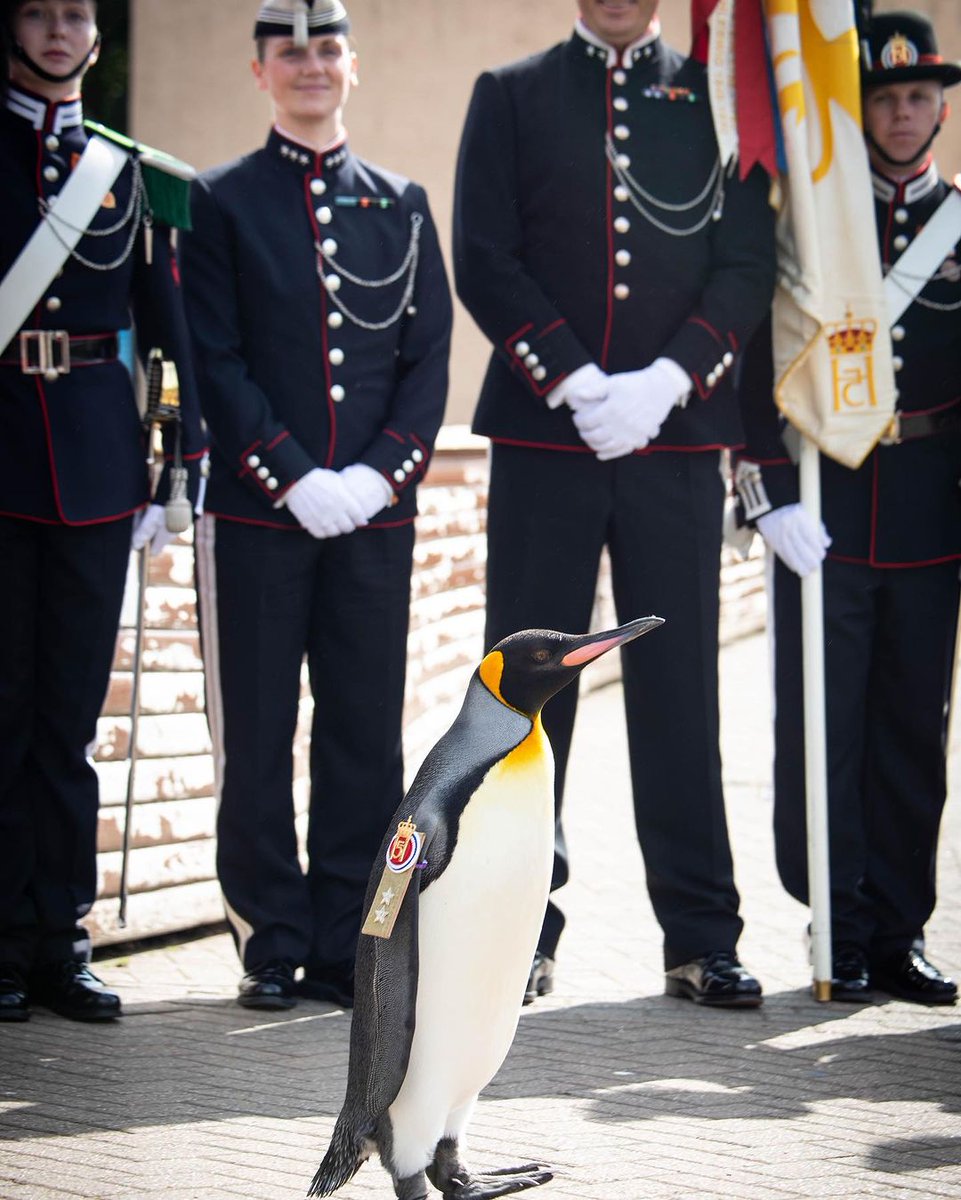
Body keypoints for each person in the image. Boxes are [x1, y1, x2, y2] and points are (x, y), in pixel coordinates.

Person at [453, 0, 776, 1007]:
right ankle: (514, 933)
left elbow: (748, 259)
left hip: (673, 439)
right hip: (548, 436)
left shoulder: (719, 103)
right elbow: (483, 253)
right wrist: (574, 381)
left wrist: (663, 382)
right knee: (524, 703)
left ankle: (699, 936)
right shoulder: (508, 96)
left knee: (681, 690)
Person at [181, 0, 451, 1013]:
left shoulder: (403, 202)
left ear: (352, 64)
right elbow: (215, 357)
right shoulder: (220, 201)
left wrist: (381, 475)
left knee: (362, 737)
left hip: (376, 521)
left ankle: (347, 942)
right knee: (256, 735)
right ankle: (269, 939)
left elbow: (426, 361)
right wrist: (291, 473)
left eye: (325, 46)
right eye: (287, 49)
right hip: (260, 518)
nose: (309, 64)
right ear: (258, 71)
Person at [735, 11, 961, 1005]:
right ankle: (836, 918)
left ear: (942, 106)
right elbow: (756, 361)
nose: (903, 114)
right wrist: (769, 494)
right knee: (820, 730)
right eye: (884, 96)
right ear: (855, 106)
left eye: (919, 96)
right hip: (826, 508)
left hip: (927, 516)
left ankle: (900, 928)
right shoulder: (813, 227)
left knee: (913, 731)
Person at [0, 0, 205, 1022]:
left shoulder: (127, 174)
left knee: (70, 724)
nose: (56, 29)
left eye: (74, 12)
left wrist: (179, 467)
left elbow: (168, 330)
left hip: (92, 464)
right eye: (36, 12)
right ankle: (0, 943)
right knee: (1, 717)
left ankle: (62, 940)